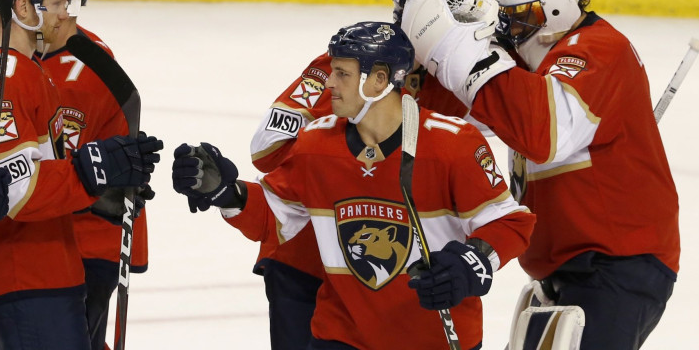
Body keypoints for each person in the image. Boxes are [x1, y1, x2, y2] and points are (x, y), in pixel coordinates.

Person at [173, 21, 535, 349]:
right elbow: (275, 218)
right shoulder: (315, 143)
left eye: (342, 74)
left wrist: (471, 264)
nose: (328, 83)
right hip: (341, 335)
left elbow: (511, 223)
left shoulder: (452, 144)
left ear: (379, 81)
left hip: (432, 338)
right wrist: (225, 193)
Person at [399, 0, 678, 349]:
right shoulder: (540, 67)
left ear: (557, 9)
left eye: (524, 16)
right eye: (509, 17)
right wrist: (418, 64)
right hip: (570, 271)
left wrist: (455, 43)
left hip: (617, 266)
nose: (512, 28)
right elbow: (465, 111)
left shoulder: (599, 50)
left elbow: (542, 134)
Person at [0, 0, 163, 349]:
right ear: (23, 8)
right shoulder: (3, 74)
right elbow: (16, 189)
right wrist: (93, 169)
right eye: (59, 2)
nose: (67, 13)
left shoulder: (22, 70)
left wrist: (97, 187)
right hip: (22, 273)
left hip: (28, 273)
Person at [245, 0, 475, 349]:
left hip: (385, 275)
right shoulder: (347, 69)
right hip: (308, 258)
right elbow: (266, 150)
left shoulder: (451, 82)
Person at [33, 0, 152, 350]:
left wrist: (119, 182)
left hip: (83, 245)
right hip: (22, 241)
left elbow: (123, 167)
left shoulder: (96, 65)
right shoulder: (7, 58)